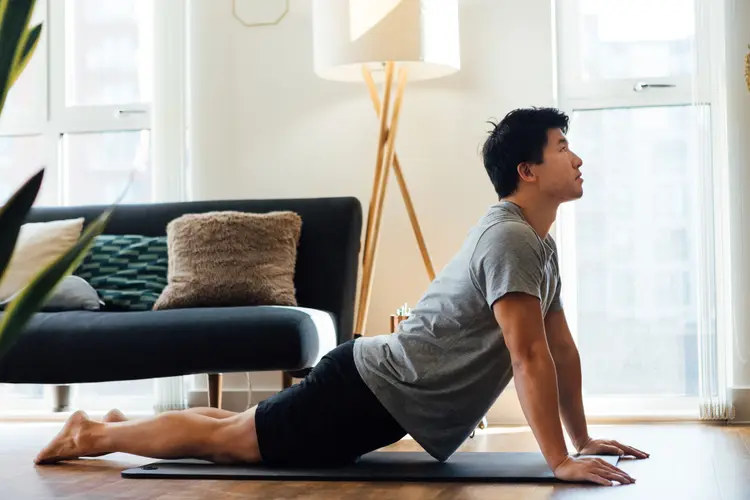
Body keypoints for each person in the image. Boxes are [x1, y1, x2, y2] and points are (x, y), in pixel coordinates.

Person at [35, 107, 649, 486]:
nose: (578, 157)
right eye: (563, 146)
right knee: (229, 443)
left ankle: (123, 424)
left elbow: (560, 350)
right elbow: (528, 356)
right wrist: (559, 461)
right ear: (528, 169)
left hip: (371, 387)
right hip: (366, 392)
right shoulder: (512, 238)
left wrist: (582, 438)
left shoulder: (537, 244)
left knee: (244, 428)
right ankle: (92, 435)